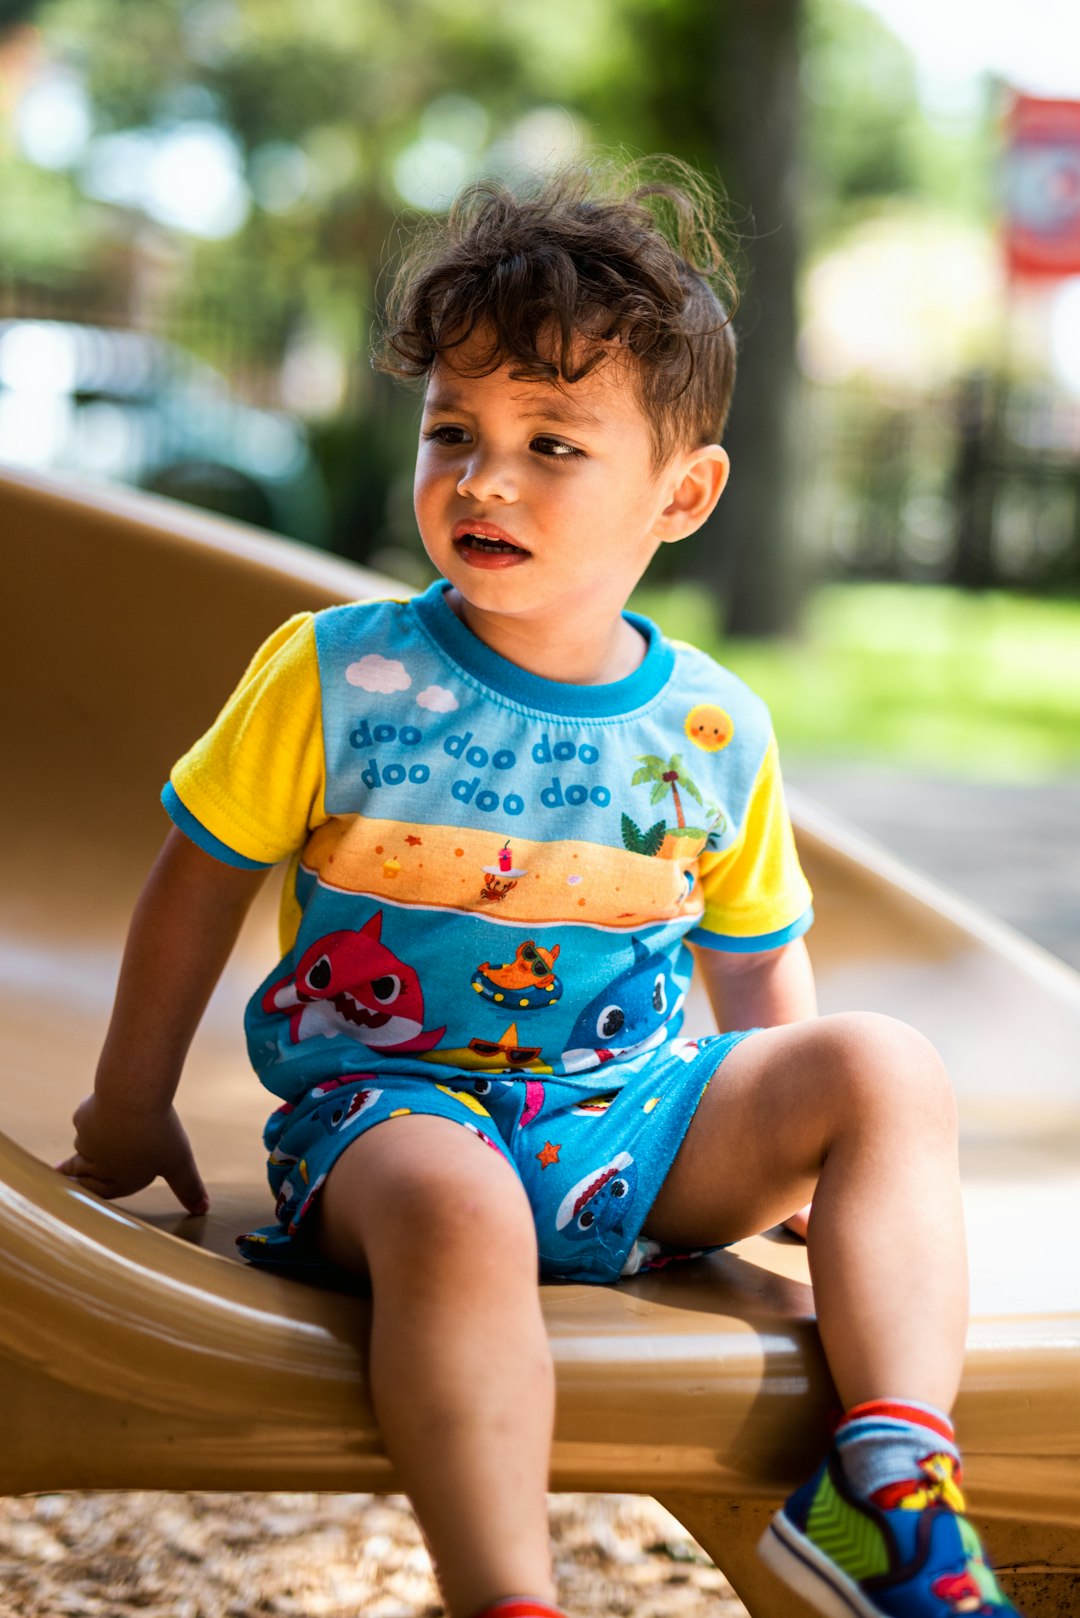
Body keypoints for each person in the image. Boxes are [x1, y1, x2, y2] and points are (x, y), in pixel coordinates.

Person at [58, 157, 1022, 1618]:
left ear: (682, 492)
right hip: (391, 1123)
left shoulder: (711, 728)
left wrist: (807, 1173)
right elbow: (194, 883)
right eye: (456, 430)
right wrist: (127, 1102)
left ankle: (887, 1483)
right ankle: (506, 1592)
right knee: (458, 1208)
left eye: (553, 443)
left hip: (634, 1116)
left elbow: (759, 968)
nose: (483, 477)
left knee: (886, 1065)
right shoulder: (338, 672)